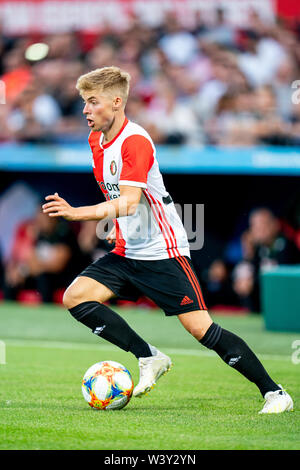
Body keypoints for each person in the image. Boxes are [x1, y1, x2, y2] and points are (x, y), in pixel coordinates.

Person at [42, 66, 293, 414]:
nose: (85, 109)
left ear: (116, 102)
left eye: (92, 102)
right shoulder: (96, 141)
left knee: (201, 330)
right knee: (76, 297)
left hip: (164, 251)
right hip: (128, 251)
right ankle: (149, 356)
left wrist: (77, 213)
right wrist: (117, 227)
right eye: (84, 102)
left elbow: (129, 201)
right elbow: (120, 196)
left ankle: (275, 392)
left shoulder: (136, 141)